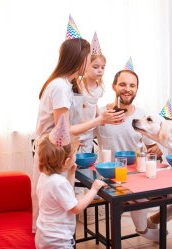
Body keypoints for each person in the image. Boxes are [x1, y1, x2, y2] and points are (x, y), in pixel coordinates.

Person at [32, 38, 124, 231]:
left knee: (57, 204)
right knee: (53, 209)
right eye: (88, 58)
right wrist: (100, 120)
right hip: (53, 151)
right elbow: (63, 129)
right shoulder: (60, 87)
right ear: (79, 59)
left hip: (56, 150)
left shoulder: (64, 84)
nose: (89, 63)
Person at [96, 67, 162, 241]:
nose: (127, 89)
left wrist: (158, 148)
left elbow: (152, 146)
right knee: (135, 197)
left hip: (135, 172)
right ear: (114, 86)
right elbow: (83, 138)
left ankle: (146, 226)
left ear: (137, 89)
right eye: (123, 84)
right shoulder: (100, 113)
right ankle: (144, 230)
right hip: (109, 175)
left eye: (132, 85)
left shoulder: (142, 116)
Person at [35, 115, 106, 249]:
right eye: (74, 153)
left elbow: (65, 197)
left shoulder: (45, 177)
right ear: (67, 161)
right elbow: (75, 208)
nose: (76, 156)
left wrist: (71, 174)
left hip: (44, 237)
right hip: (58, 242)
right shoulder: (59, 183)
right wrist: (94, 189)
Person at [71, 32, 106, 153]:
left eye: (102, 67)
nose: (100, 70)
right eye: (95, 67)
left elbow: (94, 103)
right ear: (86, 65)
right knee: (74, 154)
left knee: (86, 155)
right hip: (77, 127)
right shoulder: (79, 84)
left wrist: (99, 116)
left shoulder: (99, 88)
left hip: (90, 128)